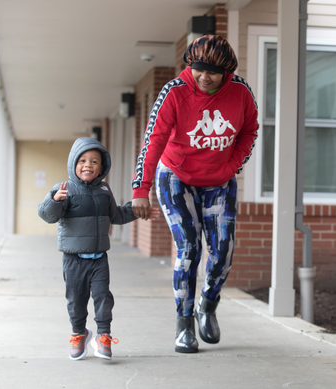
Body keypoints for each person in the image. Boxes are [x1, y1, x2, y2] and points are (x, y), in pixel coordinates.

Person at [131, 35, 258, 353]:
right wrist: (140, 189)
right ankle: (184, 321)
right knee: (188, 249)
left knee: (223, 252)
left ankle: (207, 304)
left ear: (226, 72)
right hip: (176, 177)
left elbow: (250, 130)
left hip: (219, 180)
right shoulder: (174, 91)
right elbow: (153, 139)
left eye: (213, 72)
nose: (204, 77)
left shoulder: (240, 92)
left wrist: (230, 167)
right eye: (199, 70)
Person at [38, 137, 159, 361]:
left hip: (99, 258)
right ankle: (79, 333)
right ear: (73, 164)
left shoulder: (104, 190)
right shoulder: (63, 189)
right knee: (76, 299)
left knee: (103, 297)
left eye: (94, 161)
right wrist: (55, 200)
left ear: (102, 167)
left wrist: (136, 210)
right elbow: (46, 215)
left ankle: (104, 335)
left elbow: (116, 215)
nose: (88, 165)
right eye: (82, 160)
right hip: (73, 259)